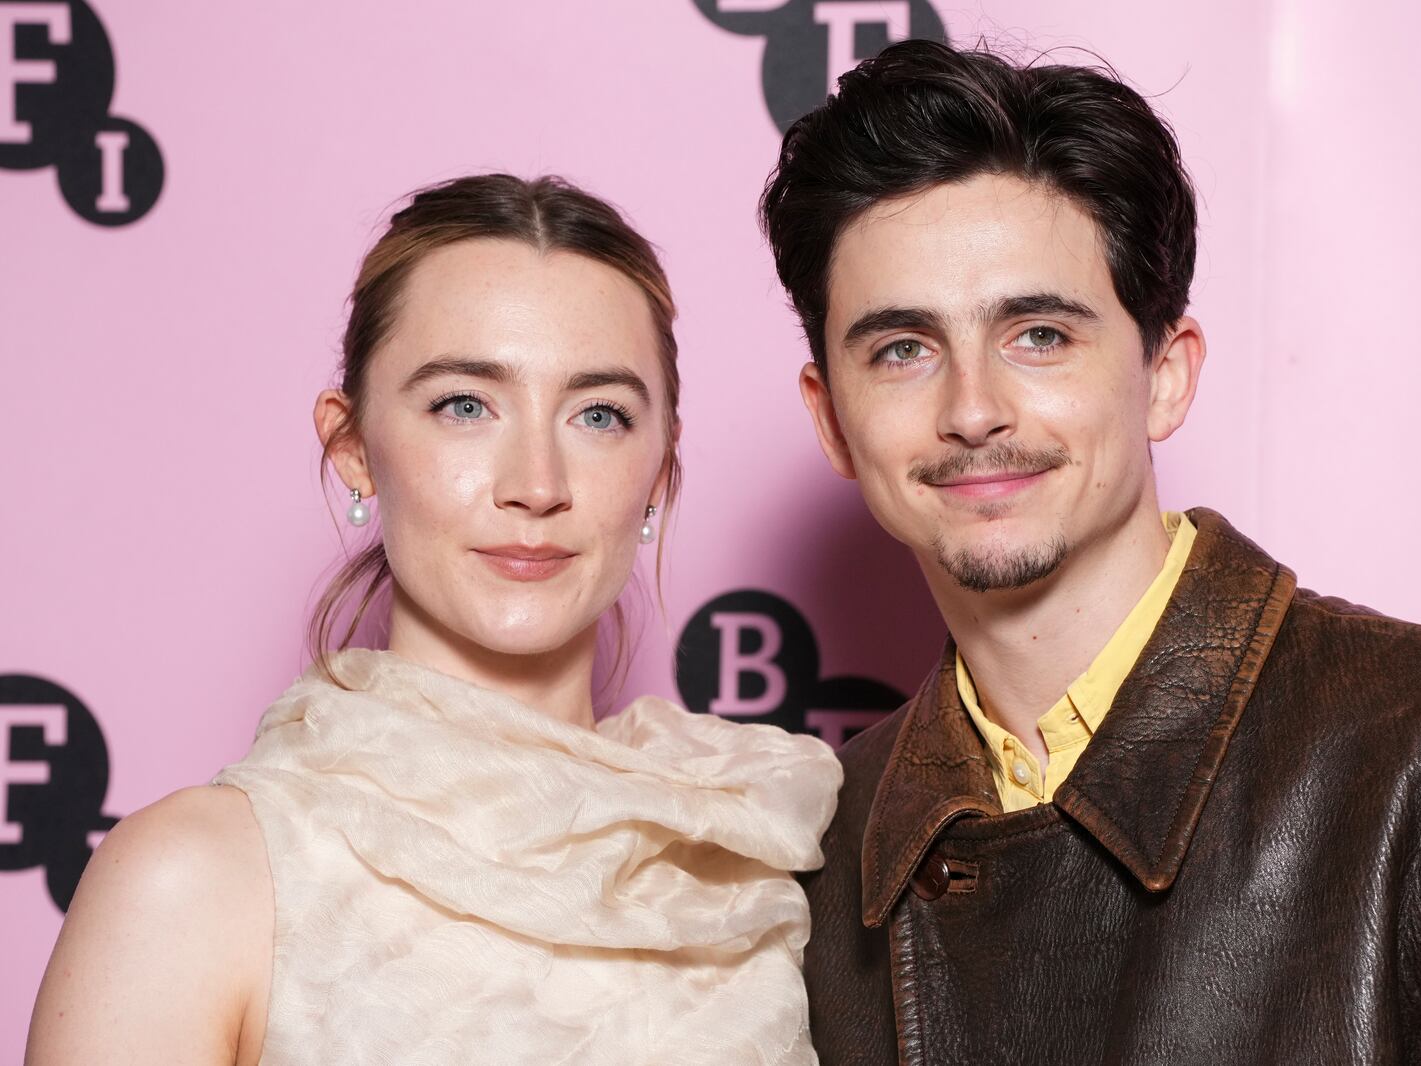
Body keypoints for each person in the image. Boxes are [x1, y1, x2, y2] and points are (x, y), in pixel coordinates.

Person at [760, 39, 1421, 1065]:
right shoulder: (809, 854)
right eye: (902, 350)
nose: (971, 410)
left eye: (1039, 335)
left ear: (1164, 373)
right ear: (833, 421)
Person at [26, 174, 841, 1066]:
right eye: (465, 405)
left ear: (661, 477)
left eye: (599, 415)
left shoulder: (753, 847)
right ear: (353, 450)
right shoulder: (198, 880)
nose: (536, 483)